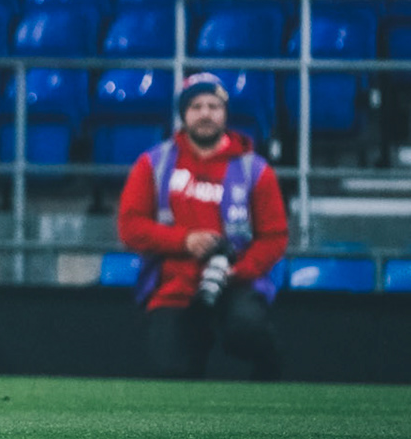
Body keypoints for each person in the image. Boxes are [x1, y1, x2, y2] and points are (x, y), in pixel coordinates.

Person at [116, 73, 286, 380]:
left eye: (213, 106)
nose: (205, 113)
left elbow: (274, 237)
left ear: (225, 113)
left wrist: (239, 270)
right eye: (196, 106)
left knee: (247, 330)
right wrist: (184, 241)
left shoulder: (255, 169)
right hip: (175, 284)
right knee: (170, 370)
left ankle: (270, 364)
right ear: (183, 114)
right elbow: (130, 226)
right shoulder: (153, 164)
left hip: (238, 282)